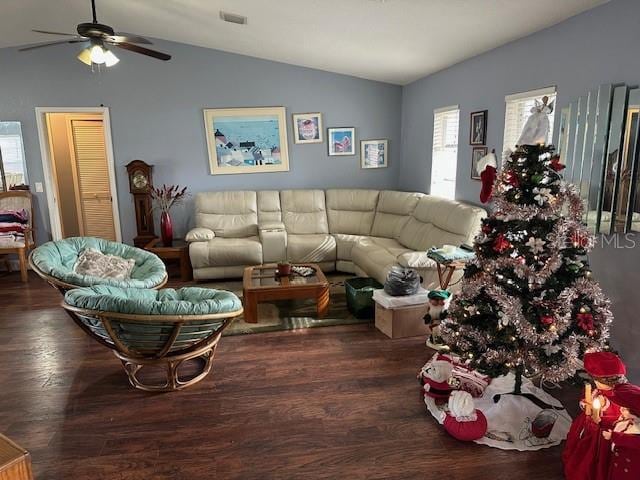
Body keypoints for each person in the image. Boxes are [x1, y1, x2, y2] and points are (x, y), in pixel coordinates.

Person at [563, 351, 628, 480]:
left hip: (602, 431)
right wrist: (586, 403)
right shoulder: (599, 390)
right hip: (593, 423)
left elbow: (612, 413)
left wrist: (601, 410)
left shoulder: (614, 396)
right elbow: (587, 399)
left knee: (597, 455)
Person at [602, 383, 640, 479]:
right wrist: (600, 421)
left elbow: (635, 441)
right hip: (619, 464)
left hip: (631, 470)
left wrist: (614, 436)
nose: (621, 409)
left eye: (626, 409)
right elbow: (615, 422)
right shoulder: (629, 420)